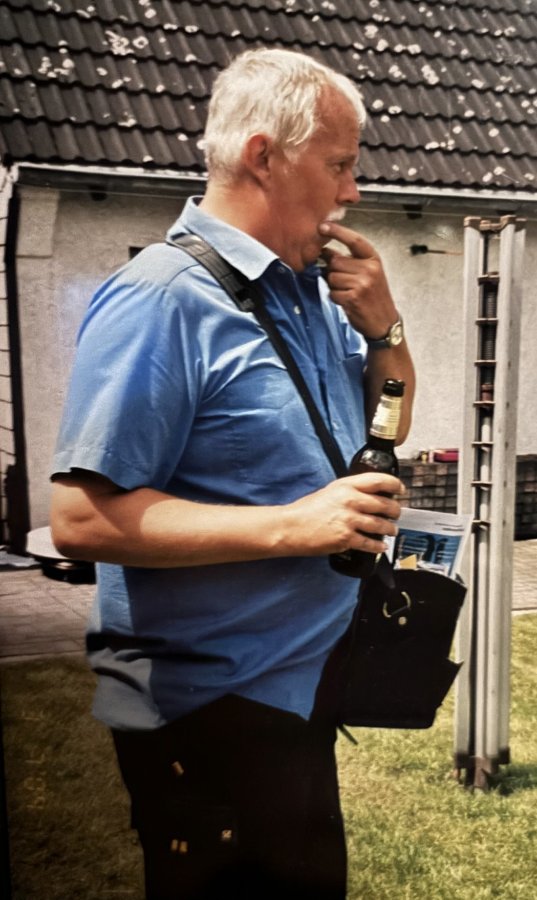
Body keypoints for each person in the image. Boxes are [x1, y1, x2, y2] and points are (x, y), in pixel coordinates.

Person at [50, 48, 415, 900]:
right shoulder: (162, 298)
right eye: (339, 165)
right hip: (205, 709)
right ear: (263, 157)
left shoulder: (309, 291)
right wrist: (297, 525)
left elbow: (389, 427)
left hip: (299, 683)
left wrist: (386, 328)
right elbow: (80, 520)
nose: (353, 190)